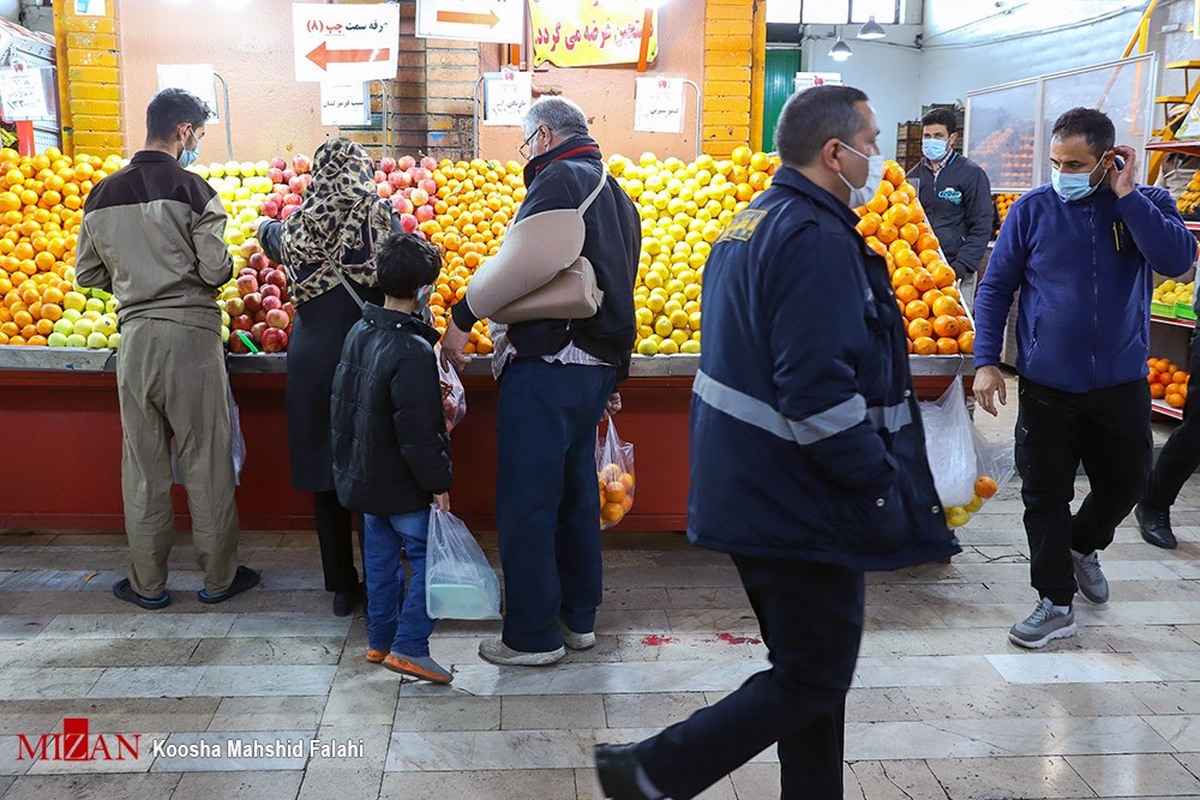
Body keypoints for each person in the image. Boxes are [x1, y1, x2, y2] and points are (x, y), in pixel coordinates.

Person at [593, 84, 960, 800]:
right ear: (835, 152)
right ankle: (651, 770)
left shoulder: (748, 223)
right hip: (801, 499)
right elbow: (816, 393)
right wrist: (877, 479)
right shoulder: (816, 241)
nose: (880, 158)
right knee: (815, 674)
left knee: (809, 673)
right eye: (872, 142)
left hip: (759, 488)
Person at [973, 107, 1195, 648]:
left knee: (1127, 483)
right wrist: (984, 361)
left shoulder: (1148, 205)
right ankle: (1053, 601)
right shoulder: (1032, 210)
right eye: (1056, 162)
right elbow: (996, 287)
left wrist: (1128, 196)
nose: (1062, 172)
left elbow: (1178, 260)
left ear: (1108, 160)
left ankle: (1081, 544)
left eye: (1075, 163)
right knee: (1044, 493)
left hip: (1120, 382)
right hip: (1048, 385)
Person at [440, 96, 640, 666]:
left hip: (551, 360)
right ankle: (578, 619)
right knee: (576, 492)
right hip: (595, 366)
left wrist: (461, 318)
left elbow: (522, 263)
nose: (528, 153)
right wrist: (616, 371)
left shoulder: (560, 179)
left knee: (528, 499)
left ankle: (530, 636)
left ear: (546, 136)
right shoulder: (617, 192)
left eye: (528, 142)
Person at [75, 88, 259, 609]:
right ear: (184, 131)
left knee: (143, 464)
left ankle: (147, 584)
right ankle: (219, 579)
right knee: (206, 461)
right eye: (198, 134)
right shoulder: (195, 191)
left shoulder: (101, 195)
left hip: (134, 340)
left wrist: (137, 283)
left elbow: (88, 272)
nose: (197, 143)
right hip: (192, 340)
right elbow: (217, 270)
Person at [259, 137, 400, 617]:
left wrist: (264, 225)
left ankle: (342, 586)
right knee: (373, 467)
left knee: (327, 473)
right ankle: (383, 583)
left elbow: (269, 239)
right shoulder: (380, 215)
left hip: (312, 358)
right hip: (368, 353)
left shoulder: (297, 225)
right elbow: (405, 271)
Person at [330, 232, 454, 683]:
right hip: (403, 486)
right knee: (428, 561)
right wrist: (438, 482)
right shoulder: (414, 350)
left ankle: (380, 640)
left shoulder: (359, 331)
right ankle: (411, 647)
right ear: (425, 291)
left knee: (380, 563)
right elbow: (419, 433)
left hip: (364, 480)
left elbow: (347, 404)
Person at [906, 107, 993, 305]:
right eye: (927, 136)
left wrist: (962, 264)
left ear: (952, 138)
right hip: (920, 270)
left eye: (938, 135)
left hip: (957, 269)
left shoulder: (971, 174)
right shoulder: (912, 176)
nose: (931, 140)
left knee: (955, 327)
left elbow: (981, 224)